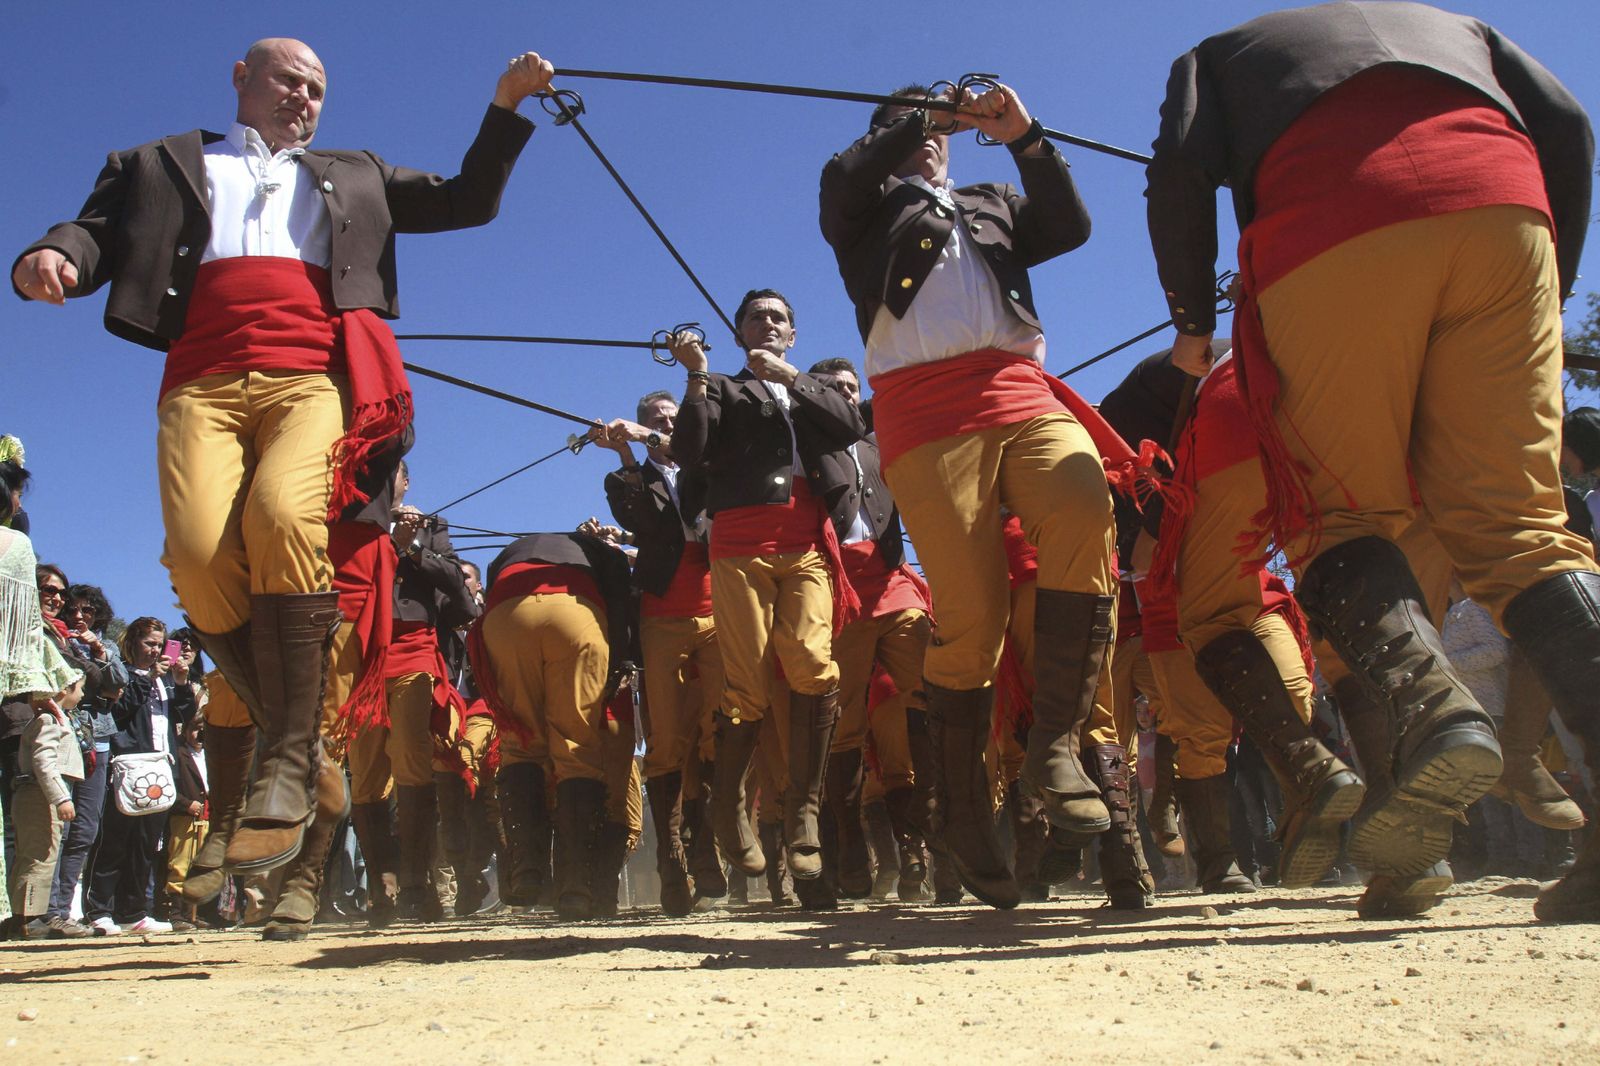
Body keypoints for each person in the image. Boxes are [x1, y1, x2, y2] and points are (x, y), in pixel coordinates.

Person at [12, 38, 556, 887]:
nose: (304, 97)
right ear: (242, 78)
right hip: (200, 382)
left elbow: (467, 199)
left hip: (313, 378)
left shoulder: (355, 171)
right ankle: (298, 746)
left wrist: (505, 106)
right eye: (289, 80)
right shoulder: (160, 162)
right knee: (197, 559)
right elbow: (95, 232)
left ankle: (290, 756)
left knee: (282, 515)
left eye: (317, 89)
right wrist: (57, 256)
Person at [1145, 1, 1596, 921]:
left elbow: (1180, 170)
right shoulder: (1460, 27)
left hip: (1334, 218)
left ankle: (1437, 715)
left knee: (1340, 522)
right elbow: (1566, 122)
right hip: (1510, 214)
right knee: (1525, 533)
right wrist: (1554, 278)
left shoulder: (1220, 52)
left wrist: (1192, 319)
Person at [820, 79, 1126, 910]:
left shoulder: (990, 200)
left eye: (940, 128)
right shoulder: (862, 210)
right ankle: (960, 813)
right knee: (972, 614)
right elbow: (844, 177)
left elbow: (1068, 226)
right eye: (909, 125)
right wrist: (923, 115)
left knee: (1083, 501)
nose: (930, 136)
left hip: (1019, 388)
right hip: (923, 413)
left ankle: (1054, 743)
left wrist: (1027, 137)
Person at [668, 291, 866, 894]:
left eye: (779, 317)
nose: (769, 323)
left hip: (807, 544)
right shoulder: (722, 388)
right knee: (748, 685)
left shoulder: (812, 389)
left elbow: (851, 425)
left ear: (793, 334)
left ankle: (804, 815)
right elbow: (689, 450)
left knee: (814, 665)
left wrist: (792, 378)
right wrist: (696, 376)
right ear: (739, 333)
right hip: (738, 546)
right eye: (757, 317)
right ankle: (729, 807)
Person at [807, 358, 933, 901]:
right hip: (839, 589)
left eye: (850, 387)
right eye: (832, 388)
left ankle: (931, 825)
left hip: (891, 579)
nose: (844, 394)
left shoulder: (884, 442)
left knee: (934, 685)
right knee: (845, 725)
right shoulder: (805, 443)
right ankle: (851, 843)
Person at [596, 391, 722, 915]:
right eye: (656, 419)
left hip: (719, 611)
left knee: (724, 724)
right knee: (667, 739)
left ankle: (708, 842)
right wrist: (629, 456)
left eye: (672, 419)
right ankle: (672, 858)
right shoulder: (624, 478)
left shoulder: (706, 465)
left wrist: (652, 439)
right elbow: (645, 522)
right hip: (663, 616)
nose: (666, 425)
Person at [467, 532, 635, 920]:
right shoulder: (596, 551)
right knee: (576, 749)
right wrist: (619, 662)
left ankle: (528, 870)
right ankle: (575, 888)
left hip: (507, 614)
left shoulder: (510, 554)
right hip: (574, 613)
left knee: (520, 742)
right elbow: (620, 599)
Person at [345, 460, 478, 925]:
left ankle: (417, 885)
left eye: (395, 474)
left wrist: (413, 547)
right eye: (379, 475)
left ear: (406, 481)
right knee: (365, 770)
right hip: (361, 652)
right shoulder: (352, 522)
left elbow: (456, 584)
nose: (388, 482)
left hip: (414, 649)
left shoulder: (432, 526)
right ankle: (382, 887)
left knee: (411, 756)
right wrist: (388, 543)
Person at [0, 453, 86, 940]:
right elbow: (21, 633)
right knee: (29, 825)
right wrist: (40, 688)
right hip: (12, 702)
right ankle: (24, 918)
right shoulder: (14, 545)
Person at [83, 617, 196, 935]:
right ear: (132, 643)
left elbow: (185, 715)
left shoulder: (165, 681)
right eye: (149, 643)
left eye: (160, 644)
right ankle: (99, 910)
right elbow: (118, 714)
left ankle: (133, 912)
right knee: (114, 841)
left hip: (159, 768)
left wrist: (181, 682)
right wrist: (149, 678)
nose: (155, 650)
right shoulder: (123, 674)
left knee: (146, 845)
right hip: (127, 766)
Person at [46, 583, 129, 937]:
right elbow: (96, 686)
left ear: (99, 615)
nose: (79, 616)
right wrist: (103, 686)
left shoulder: (106, 645)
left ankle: (64, 910)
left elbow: (120, 681)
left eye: (88, 611)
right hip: (65, 733)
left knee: (85, 829)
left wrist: (98, 651)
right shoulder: (56, 638)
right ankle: (48, 910)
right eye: (73, 610)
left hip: (100, 737)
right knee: (60, 826)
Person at [163, 718, 209, 931]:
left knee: (201, 866)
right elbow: (167, 785)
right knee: (181, 863)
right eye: (196, 729)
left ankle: (194, 913)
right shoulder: (179, 754)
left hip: (206, 816)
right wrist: (185, 803)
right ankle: (177, 913)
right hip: (186, 816)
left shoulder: (210, 755)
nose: (199, 735)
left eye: (204, 730)